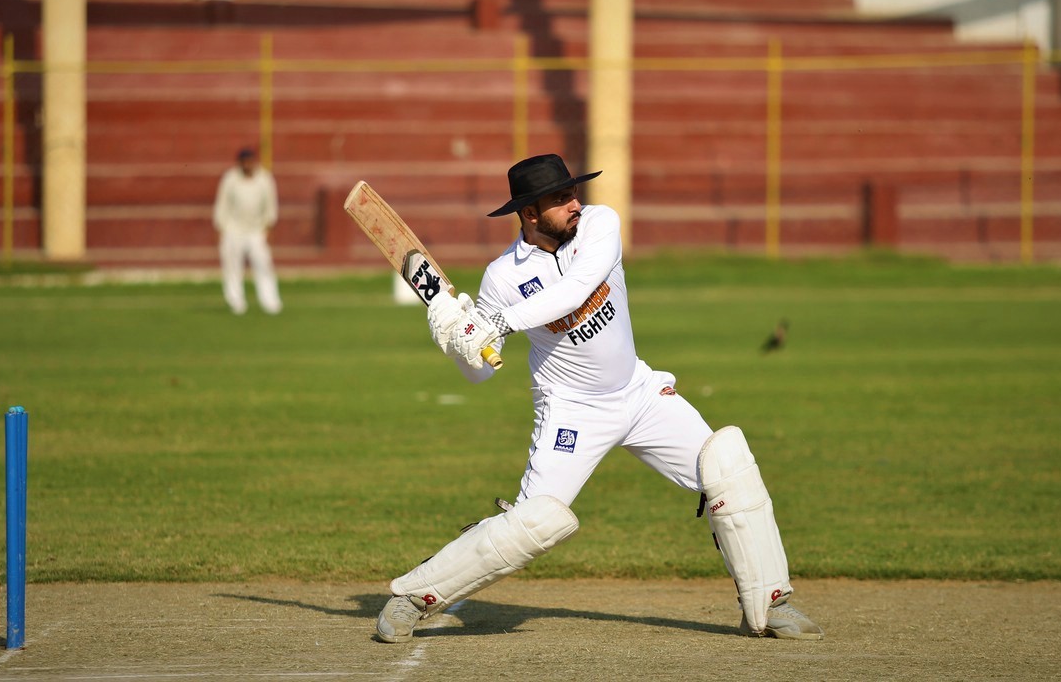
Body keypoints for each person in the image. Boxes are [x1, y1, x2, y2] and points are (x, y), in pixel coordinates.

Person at [375, 153, 822, 643]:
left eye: (573, 192)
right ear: (530, 213)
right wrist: (455, 336)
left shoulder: (599, 224)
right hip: (572, 411)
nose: (575, 204)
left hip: (640, 393)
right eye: (560, 198)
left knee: (727, 465)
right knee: (532, 523)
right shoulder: (501, 278)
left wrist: (497, 321)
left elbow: (574, 290)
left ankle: (770, 605)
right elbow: (480, 372)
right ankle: (413, 596)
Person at [212, 147, 282, 315]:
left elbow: (270, 205)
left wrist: (268, 227)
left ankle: (270, 301)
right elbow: (222, 204)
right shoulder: (230, 179)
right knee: (232, 267)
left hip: (256, 230)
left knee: (263, 265)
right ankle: (236, 302)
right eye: (245, 162)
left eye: (250, 162)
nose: (248, 165)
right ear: (240, 163)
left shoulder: (264, 179)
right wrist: (220, 227)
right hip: (233, 229)